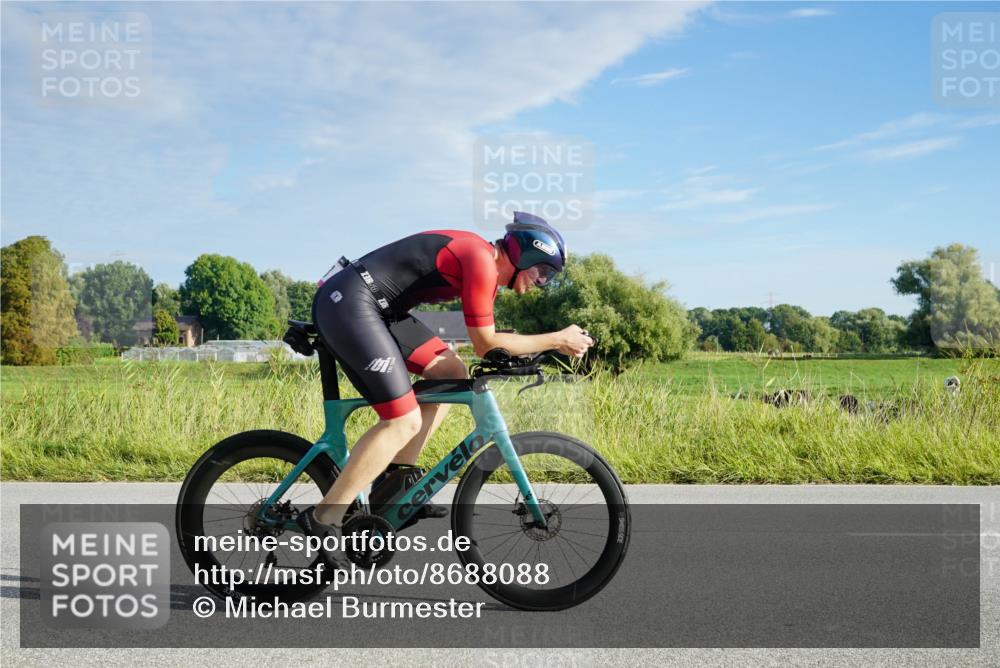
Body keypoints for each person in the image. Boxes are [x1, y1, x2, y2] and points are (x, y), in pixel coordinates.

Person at [297, 212, 594, 569]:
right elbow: (486, 344)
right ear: (525, 256)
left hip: (379, 307)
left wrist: (537, 350)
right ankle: (324, 517)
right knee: (401, 420)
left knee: (451, 373)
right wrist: (558, 339)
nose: (542, 283)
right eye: (542, 273)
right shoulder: (481, 262)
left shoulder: (483, 261)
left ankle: (395, 482)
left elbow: (492, 345)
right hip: (351, 303)